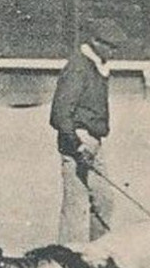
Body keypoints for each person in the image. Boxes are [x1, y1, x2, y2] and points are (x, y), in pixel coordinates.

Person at [49, 26, 124, 242]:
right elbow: (60, 113)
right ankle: (67, 259)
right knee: (76, 204)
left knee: (103, 200)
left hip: (93, 142)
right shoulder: (78, 68)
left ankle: (98, 253)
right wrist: (77, 144)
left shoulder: (95, 66)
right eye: (111, 47)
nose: (114, 53)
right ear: (96, 42)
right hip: (78, 142)